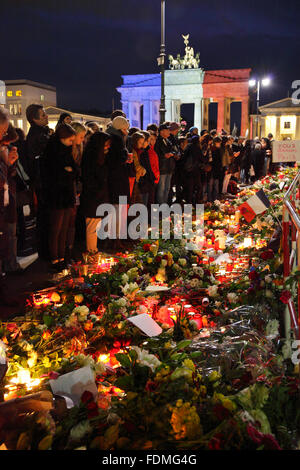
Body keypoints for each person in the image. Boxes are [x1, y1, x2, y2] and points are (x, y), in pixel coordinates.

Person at [44, 124, 77, 271]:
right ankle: (54, 259)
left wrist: (70, 171)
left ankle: (63, 257)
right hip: (56, 195)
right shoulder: (52, 153)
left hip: (67, 194)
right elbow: (54, 174)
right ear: (62, 138)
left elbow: (75, 170)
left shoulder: (67, 151)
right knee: (56, 228)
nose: (73, 144)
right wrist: (67, 172)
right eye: (70, 140)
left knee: (64, 228)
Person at [25, 104, 51, 259]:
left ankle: (46, 250)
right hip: (43, 182)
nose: (46, 116)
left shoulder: (40, 133)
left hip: (42, 181)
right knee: (45, 217)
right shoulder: (38, 135)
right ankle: (46, 252)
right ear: (34, 119)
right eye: (43, 115)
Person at [81, 132, 111, 253]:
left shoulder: (99, 157)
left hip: (98, 195)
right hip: (93, 196)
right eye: (106, 144)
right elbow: (92, 178)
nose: (108, 147)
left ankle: (94, 249)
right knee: (92, 225)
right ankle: (92, 251)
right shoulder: (91, 159)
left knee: (96, 225)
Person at [106, 116, 132, 250]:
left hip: (115, 178)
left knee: (116, 209)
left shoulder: (113, 137)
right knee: (118, 209)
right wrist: (126, 157)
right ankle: (116, 240)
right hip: (118, 179)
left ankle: (116, 239)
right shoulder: (117, 139)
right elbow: (118, 158)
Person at [1, 125, 22, 273]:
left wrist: (12, 164)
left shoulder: (6, 151)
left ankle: (12, 263)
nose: (7, 146)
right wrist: (8, 164)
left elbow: (11, 175)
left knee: (11, 232)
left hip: (10, 197)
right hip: (3, 199)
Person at [64, 122, 87, 262]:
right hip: (69, 188)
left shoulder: (79, 149)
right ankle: (66, 251)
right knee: (68, 220)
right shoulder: (68, 151)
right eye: (81, 136)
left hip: (76, 188)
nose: (83, 140)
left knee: (73, 219)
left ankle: (71, 248)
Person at [154, 123, 175, 204]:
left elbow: (173, 150)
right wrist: (164, 155)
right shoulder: (158, 141)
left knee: (167, 188)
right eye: (167, 130)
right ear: (162, 131)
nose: (169, 132)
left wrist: (172, 153)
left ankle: (165, 204)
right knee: (161, 188)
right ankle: (160, 205)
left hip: (169, 168)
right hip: (162, 168)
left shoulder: (168, 140)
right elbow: (157, 154)